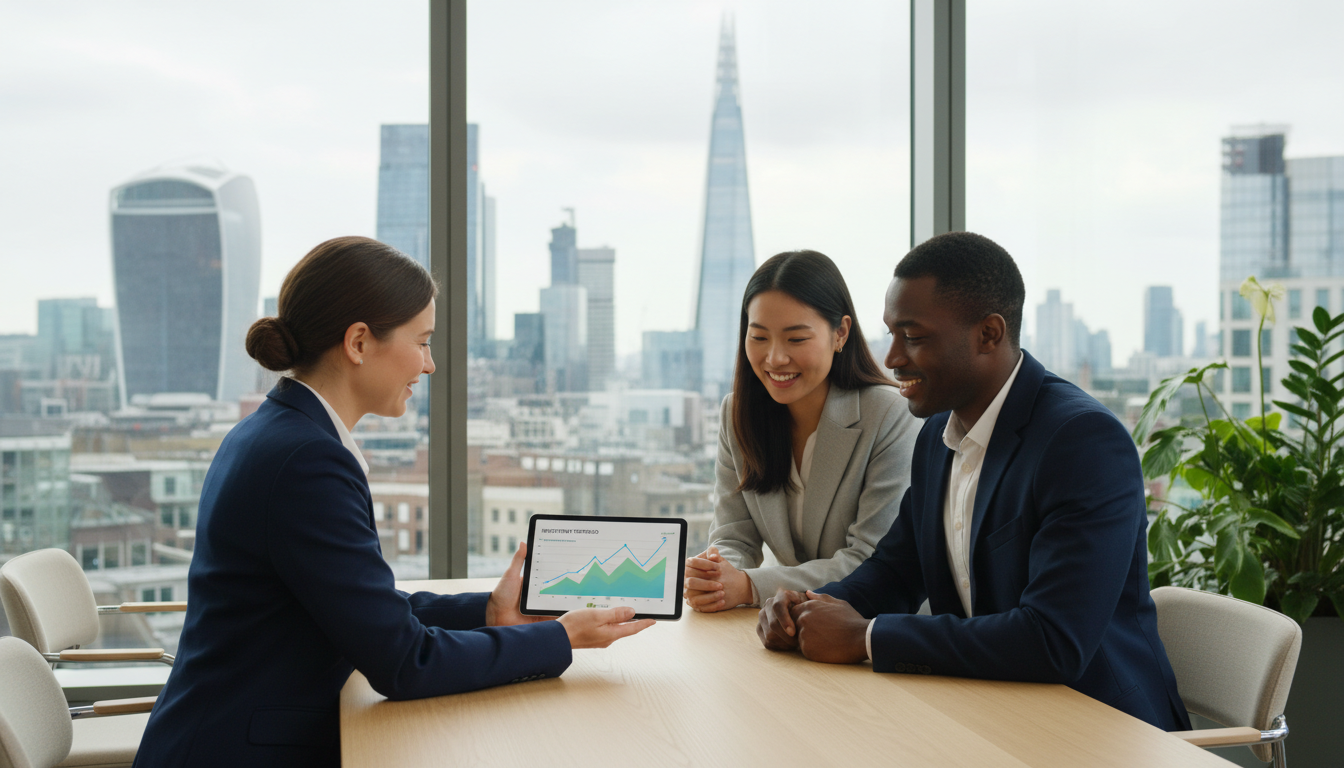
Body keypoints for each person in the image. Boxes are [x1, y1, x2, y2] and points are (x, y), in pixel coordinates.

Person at [134, 237, 653, 768]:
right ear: (359, 342)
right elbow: (406, 663)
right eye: (422, 341)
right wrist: (558, 638)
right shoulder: (307, 460)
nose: (429, 365)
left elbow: (358, 607)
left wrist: (487, 610)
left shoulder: (278, 432)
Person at [755, 232, 1191, 731]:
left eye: (913, 337)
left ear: (988, 334)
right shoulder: (937, 433)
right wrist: (806, 610)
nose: (892, 357)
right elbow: (896, 572)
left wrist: (866, 637)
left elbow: (1053, 640)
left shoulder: (1082, 442)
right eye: (891, 334)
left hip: (1100, 728)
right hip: (989, 712)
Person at [683, 250, 920, 612]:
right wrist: (717, 574)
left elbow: (870, 561)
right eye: (759, 337)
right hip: (793, 626)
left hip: (877, 628)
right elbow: (734, 536)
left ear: (840, 333)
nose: (775, 358)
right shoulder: (738, 413)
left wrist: (748, 586)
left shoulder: (888, 414)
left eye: (795, 339)